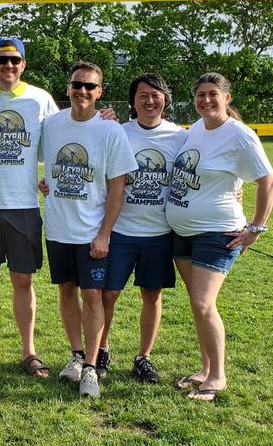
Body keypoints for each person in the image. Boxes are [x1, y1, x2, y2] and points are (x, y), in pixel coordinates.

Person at [166, 72, 273, 402]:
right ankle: (204, 369)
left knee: (203, 303)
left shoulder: (240, 135)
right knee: (199, 305)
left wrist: (255, 228)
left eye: (213, 94)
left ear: (227, 98)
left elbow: (268, 182)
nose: (206, 100)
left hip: (216, 233)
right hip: (182, 233)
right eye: (200, 95)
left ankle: (218, 377)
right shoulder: (195, 130)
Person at [0, 38, 59, 378]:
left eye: (15, 60)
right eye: (2, 60)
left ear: (23, 64)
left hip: (24, 205)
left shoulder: (40, 100)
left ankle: (29, 351)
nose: (9, 66)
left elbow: (63, 138)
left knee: (23, 279)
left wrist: (103, 117)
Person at [40, 61, 137, 398]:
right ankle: (77, 356)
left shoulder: (110, 131)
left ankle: (92, 367)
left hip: (91, 232)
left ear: (100, 92)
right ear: (68, 88)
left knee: (92, 295)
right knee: (66, 290)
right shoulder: (51, 125)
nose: (82, 91)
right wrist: (44, 183)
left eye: (90, 86)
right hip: (57, 228)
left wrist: (104, 234)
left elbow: (118, 188)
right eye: (77, 85)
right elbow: (43, 166)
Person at [99, 74, 188, 383]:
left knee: (152, 294)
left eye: (156, 94)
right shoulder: (118, 132)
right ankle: (101, 349)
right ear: (133, 102)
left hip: (159, 233)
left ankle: (143, 357)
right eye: (143, 95)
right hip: (120, 230)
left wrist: (236, 191)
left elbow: (204, 166)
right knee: (108, 294)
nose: (150, 101)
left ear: (165, 98)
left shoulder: (181, 137)